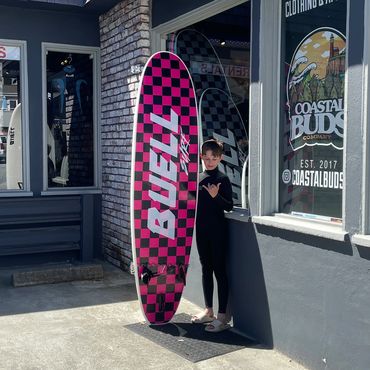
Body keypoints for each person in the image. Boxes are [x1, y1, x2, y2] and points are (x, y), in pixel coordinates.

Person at [191, 139, 233, 332]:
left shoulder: (222, 179)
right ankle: (209, 311)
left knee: (219, 270)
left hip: (218, 232)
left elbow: (229, 206)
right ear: (201, 156)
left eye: (213, 158)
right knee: (205, 269)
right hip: (201, 231)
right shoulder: (198, 178)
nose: (209, 161)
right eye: (206, 157)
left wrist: (216, 196)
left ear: (220, 158)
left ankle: (222, 316)